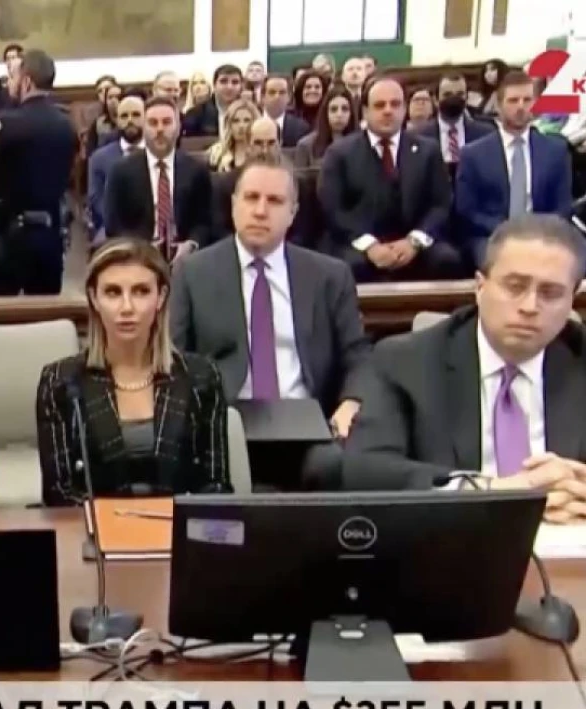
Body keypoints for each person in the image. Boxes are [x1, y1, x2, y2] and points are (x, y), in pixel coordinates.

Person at [344, 215, 586, 524]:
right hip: (454, 538)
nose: (529, 306)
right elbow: (365, 469)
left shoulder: (578, 356)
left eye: (550, 293)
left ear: (572, 299)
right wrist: (494, 491)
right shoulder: (406, 361)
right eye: (515, 287)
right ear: (480, 287)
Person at [171, 158, 371, 444]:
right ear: (234, 204)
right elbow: (175, 358)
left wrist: (350, 403)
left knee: (336, 462)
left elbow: (358, 355)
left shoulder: (330, 276)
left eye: (275, 201)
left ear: (293, 213)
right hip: (223, 427)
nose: (260, 211)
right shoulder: (192, 273)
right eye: (251, 198)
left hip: (310, 425)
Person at [35, 239, 230, 504]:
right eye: (113, 292)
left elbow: (216, 487)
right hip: (93, 528)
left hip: (178, 528)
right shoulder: (60, 382)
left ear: (161, 297)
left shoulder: (201, 377)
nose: (127, 307)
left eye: (141, 291)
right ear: (94, 298)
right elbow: (59, 494)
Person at [319, 75, 461, 282]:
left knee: (447, 261)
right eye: (379, 105)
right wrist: (370, 246)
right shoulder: (340, 153)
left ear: (404, 109)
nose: (388, 111)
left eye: (395, 104)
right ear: (365, 111)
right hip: (358, 243)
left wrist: (413, 241)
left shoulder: (428, 150)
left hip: (415, 241)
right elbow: (334, 209)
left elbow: (441, 204)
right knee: (351, 267)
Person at [0, 49, 77, 296]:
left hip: (11, 237)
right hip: (51, 237)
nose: (10, 84)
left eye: (13, 78)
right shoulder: (66, 125)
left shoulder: (5, 124)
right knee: (45, 313)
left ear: (26, 81)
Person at [454, 71, 575, 265]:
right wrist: (508, 231)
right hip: (492, 237)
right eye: (513, 100)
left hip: (543, 237)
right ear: (498, 106)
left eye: (527, 100)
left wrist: (535, 233)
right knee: (501, 261)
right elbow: (467, 210)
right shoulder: (473, 154)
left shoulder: (555, 150)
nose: (520, 107)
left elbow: (562, 207)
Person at [104, 96, 212, 254]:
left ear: (178, 127)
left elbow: (205, 221)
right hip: (138, 255)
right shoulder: (121, 171)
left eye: (166, 122)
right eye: (153, 123)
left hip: (187, 256)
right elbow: (114, 226)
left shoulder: (196, 170)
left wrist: (191, 244)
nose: (160, 129)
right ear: (144, 128)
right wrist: (142, 248)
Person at [87, 96, 144, 245]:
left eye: (136, 115)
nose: (130, 120)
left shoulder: (155, 153)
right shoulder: (99, 157)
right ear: (117, 121)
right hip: (112, 227)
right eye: (124, 116)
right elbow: (96, 198)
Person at [408, 73, 494, 165]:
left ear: (467, 98)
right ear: (436, 100)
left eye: (460, 94)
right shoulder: (418, 136)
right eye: (447, 94)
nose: (453, 99)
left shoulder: (485, 135)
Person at [293, 87, 355, 169]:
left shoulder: (362, 145)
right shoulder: (306, 145)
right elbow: (299, 176)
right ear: (326, 113)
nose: (339, 115)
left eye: (345, 109)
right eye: (333, 109)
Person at [184, 65, 243, 137]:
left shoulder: (250, 112)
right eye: (223, 81)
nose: (229, 87)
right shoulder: (194, 114)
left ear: (241, 86)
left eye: (235, 82)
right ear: (214, 85)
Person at [259, 74, 310, 147]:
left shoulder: (301, 128)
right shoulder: (251, 123)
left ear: (289, 97)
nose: (277, 97)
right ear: (262, 97)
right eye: (272, 92)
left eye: (282, 92)